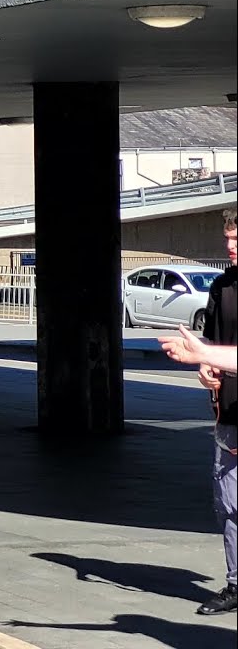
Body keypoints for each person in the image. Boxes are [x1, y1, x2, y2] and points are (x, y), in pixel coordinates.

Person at [160, 208, 237, 615]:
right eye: (227, 238)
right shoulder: (222, 287)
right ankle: (235, 582)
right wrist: (206, 367)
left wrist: (204, 353)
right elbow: (212, 344)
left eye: (237, 239)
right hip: (229, 414)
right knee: (228, 502)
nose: (230, 246)